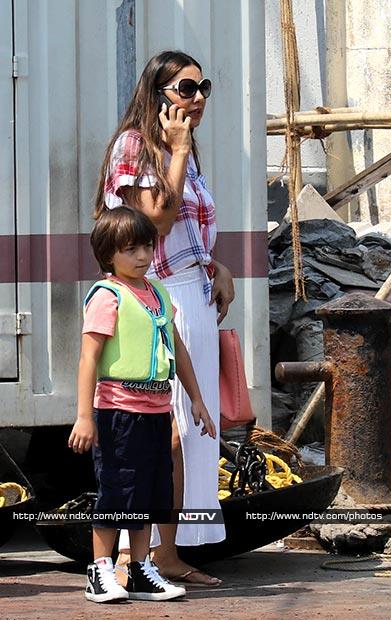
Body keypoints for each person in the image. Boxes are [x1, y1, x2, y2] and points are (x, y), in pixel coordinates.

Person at [94, 50, 234, 587]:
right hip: (161, 297)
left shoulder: (185, 151)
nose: (196, 99)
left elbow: (189, 233)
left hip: (194, 292)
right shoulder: (137, 146)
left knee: (195, 432)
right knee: (166, 432)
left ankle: (172, 552)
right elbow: (155, 221)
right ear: (157, 94)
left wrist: (219, 267)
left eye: (203, 88)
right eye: (184, 89)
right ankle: (141, 556)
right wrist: (175, 150)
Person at [69, 206, 217, 603]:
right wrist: (85, 416)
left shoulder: (157, 294)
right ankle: (100, 570)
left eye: (147, 247)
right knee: (117, 491)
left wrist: (197, 399)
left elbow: (178, 348)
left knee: (151, 492)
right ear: (108, 255)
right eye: (130, 249)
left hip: (156, 410)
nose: (141, 257)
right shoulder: (107, 295)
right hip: (119, 413)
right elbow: (88, 357)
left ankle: (139, 570)